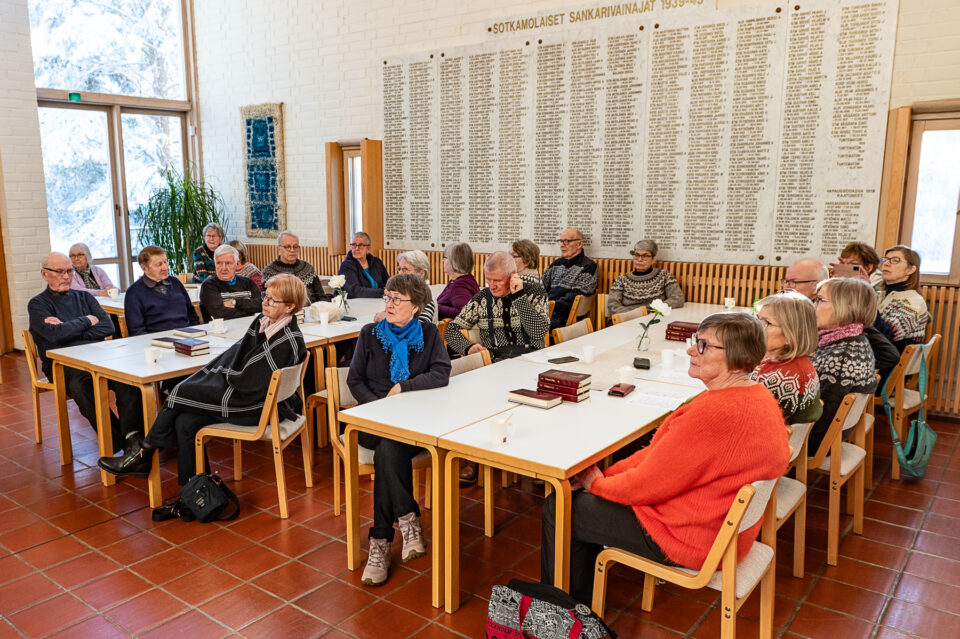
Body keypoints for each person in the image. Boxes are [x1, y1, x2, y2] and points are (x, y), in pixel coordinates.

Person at [541, 313, 790, 604]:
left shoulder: (716, 415)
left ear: (736, 358)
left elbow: (647, 484)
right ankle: (577, 602)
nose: (690, 350)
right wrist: (601, 479)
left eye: (703, 345)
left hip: (690, 538)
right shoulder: (756, 396)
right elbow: (660, 458)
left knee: (561, 507)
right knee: (591, 494)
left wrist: (596, 484)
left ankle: (560, 615)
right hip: (723, 530)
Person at [98, 274, 309, 503]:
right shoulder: (264, 321)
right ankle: (196, 492)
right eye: (265, 296)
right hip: (253, 397)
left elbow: (248, 383)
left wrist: (219, 375)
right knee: (184, 421)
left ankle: (144, 453)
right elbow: (236, 355)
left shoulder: (286, 340)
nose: (265, 302)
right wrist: (218, 371)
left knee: (181, 392)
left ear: (290, 307)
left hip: (258, 408)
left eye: (272, 300)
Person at [347, 274, 451, 586]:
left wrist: (404, 386)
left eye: (397, 299)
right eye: (388, 297)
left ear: (417, 305)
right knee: (386, 445)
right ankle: (408, 522)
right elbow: (355, 381)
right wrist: (377, 407)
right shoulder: (370, 334)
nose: (389, 304)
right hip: (372, 421)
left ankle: (380, 542)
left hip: (410, 423)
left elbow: (441, 373)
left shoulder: (429, 333)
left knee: (388, 453)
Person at [29, 253, 142, 453]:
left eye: (69, 271)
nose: (66, 276)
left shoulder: (84, 297)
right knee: (83, 386)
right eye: (59, 272)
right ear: (45, 274)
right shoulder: (38, 304)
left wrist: (68, 330)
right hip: (62, 365)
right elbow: (54, 336)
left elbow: (108, 327)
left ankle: (133, 440)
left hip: (96, 358)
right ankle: (116, 443)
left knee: (129, 382)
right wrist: (88, 320)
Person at [810, 277, 878, 454]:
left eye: (820, 300)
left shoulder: (841, 356)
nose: (813, 306)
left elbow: (822, 417)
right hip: (832, 433)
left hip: (816, 440)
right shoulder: (851, 339)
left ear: (847, 308)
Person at [444, 251, 549, 360]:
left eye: (497, 280)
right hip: (495, 363)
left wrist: (519, 296)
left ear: (513, 276)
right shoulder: (481, 298)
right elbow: (451, 330)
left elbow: (538, 333)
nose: (492, 286)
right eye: (488, 280)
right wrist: (467, 347)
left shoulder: (535, 293)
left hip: (532, 360)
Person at [751, 292, 822, 425]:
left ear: (791, 334)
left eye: (766, 323)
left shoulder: (784, 379)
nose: (756, 326)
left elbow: (751, 421)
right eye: (757, 319)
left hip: (768, 442)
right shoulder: (782, 360)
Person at [124, 246, 200, 336]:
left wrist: (196, 335)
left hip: (187, 337)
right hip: (157, 343)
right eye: (159, 264)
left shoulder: (175, 282)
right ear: (144, 268)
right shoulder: (134, 293)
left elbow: (192, 316)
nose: (165, 267)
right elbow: (137, 331)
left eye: (165, 262)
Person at [606, 239, 684, 318]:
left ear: (653, 259)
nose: (639, 259)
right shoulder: (622, 280)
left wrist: (649, 311)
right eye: (637, 255)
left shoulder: (664, 276)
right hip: (627, 319)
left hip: (654, 319)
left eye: (645, 256)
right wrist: (635, 314)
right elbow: (613, 305)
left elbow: (678, 299)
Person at [874, 245, 929, 352]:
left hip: (891, 362)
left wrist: (867, 303)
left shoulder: (913, 301)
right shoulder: (881, 295)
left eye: (895, 260)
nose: (886, 263)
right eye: (885, 259)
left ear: (910, 269)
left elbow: (887, 335)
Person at [542, 228, 598, 329]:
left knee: (526, 325)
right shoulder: (556, 264)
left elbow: (573, 298)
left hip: (563, 317)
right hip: (545, 311)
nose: (562, 245)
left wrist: (547, 305)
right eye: (561, 241)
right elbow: (541, 287)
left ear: (580, 244)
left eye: (567, 241)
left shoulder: (588, 266)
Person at [261, 230, 329, 303]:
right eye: (288, 247)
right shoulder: (269, 272)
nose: (292, 250)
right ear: (279, 249)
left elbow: (320, 295)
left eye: (295, 246)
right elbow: (270, 302)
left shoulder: (307, 268)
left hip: (311, 310)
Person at [199, 245, 263, 320]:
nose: (223, 268)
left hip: (249, 327)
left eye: (228, 263)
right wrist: (250, 312)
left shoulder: (248, 283)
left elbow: (261, 305)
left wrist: (235, 302)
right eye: (219, 263)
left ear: (236, 264)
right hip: (220, 330)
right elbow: (220, 314)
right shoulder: (209, 285)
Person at [374, 250, 436, 323]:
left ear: (422, 273)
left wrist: (388, 319)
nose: (400, 273)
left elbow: (422, 326)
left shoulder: (425, 297)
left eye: (405, 269)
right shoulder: (403, 293)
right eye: (399, 269)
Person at [338, 231, 389, 299]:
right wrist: (383, 292)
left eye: (361, 245)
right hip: (356, 303)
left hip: (379, 300)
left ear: (368, 248)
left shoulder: (377, 262)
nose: (357, 248)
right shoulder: (347, 266)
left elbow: (388, 282)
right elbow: (355, 291)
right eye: (354, 245)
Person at [436, 242, 479, 320]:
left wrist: (436, 308)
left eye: (445, 258)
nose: (443, 261)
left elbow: (463, 313)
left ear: (454, 261)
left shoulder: (460, 286)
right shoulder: (462, 280)